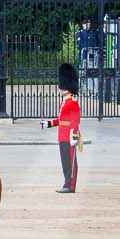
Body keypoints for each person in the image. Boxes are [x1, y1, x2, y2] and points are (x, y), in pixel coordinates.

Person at [44, 62, 83, 194]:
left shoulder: (73, 102)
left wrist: (74, 136)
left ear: (67, 86)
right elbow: (62, 120)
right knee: (65, 162)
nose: (60, 88)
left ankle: (70, 185)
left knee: (71, 162)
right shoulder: (65, 102)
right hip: (62, 136)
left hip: (69, 136)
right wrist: (49, 123)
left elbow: (75, 121)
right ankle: (66, 182)